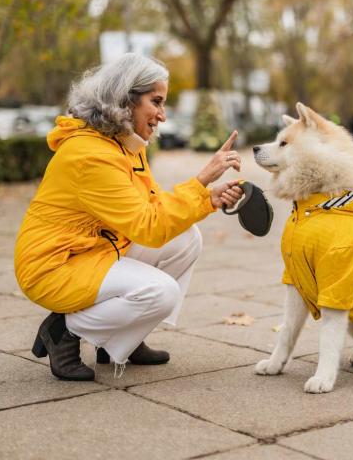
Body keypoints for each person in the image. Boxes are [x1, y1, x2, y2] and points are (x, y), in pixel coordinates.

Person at [14, 53, 244, 381]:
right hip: (54, 265)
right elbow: (148, 227)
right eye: (156, 102)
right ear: (125, 100)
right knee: (162, 293)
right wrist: (201, 180)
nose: (162, 115)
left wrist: (206, 198)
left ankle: (123, 339)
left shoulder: (123, 144)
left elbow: (147, 208)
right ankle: (64, 330)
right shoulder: (90, 155)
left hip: (93, 250)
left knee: (186, 238)